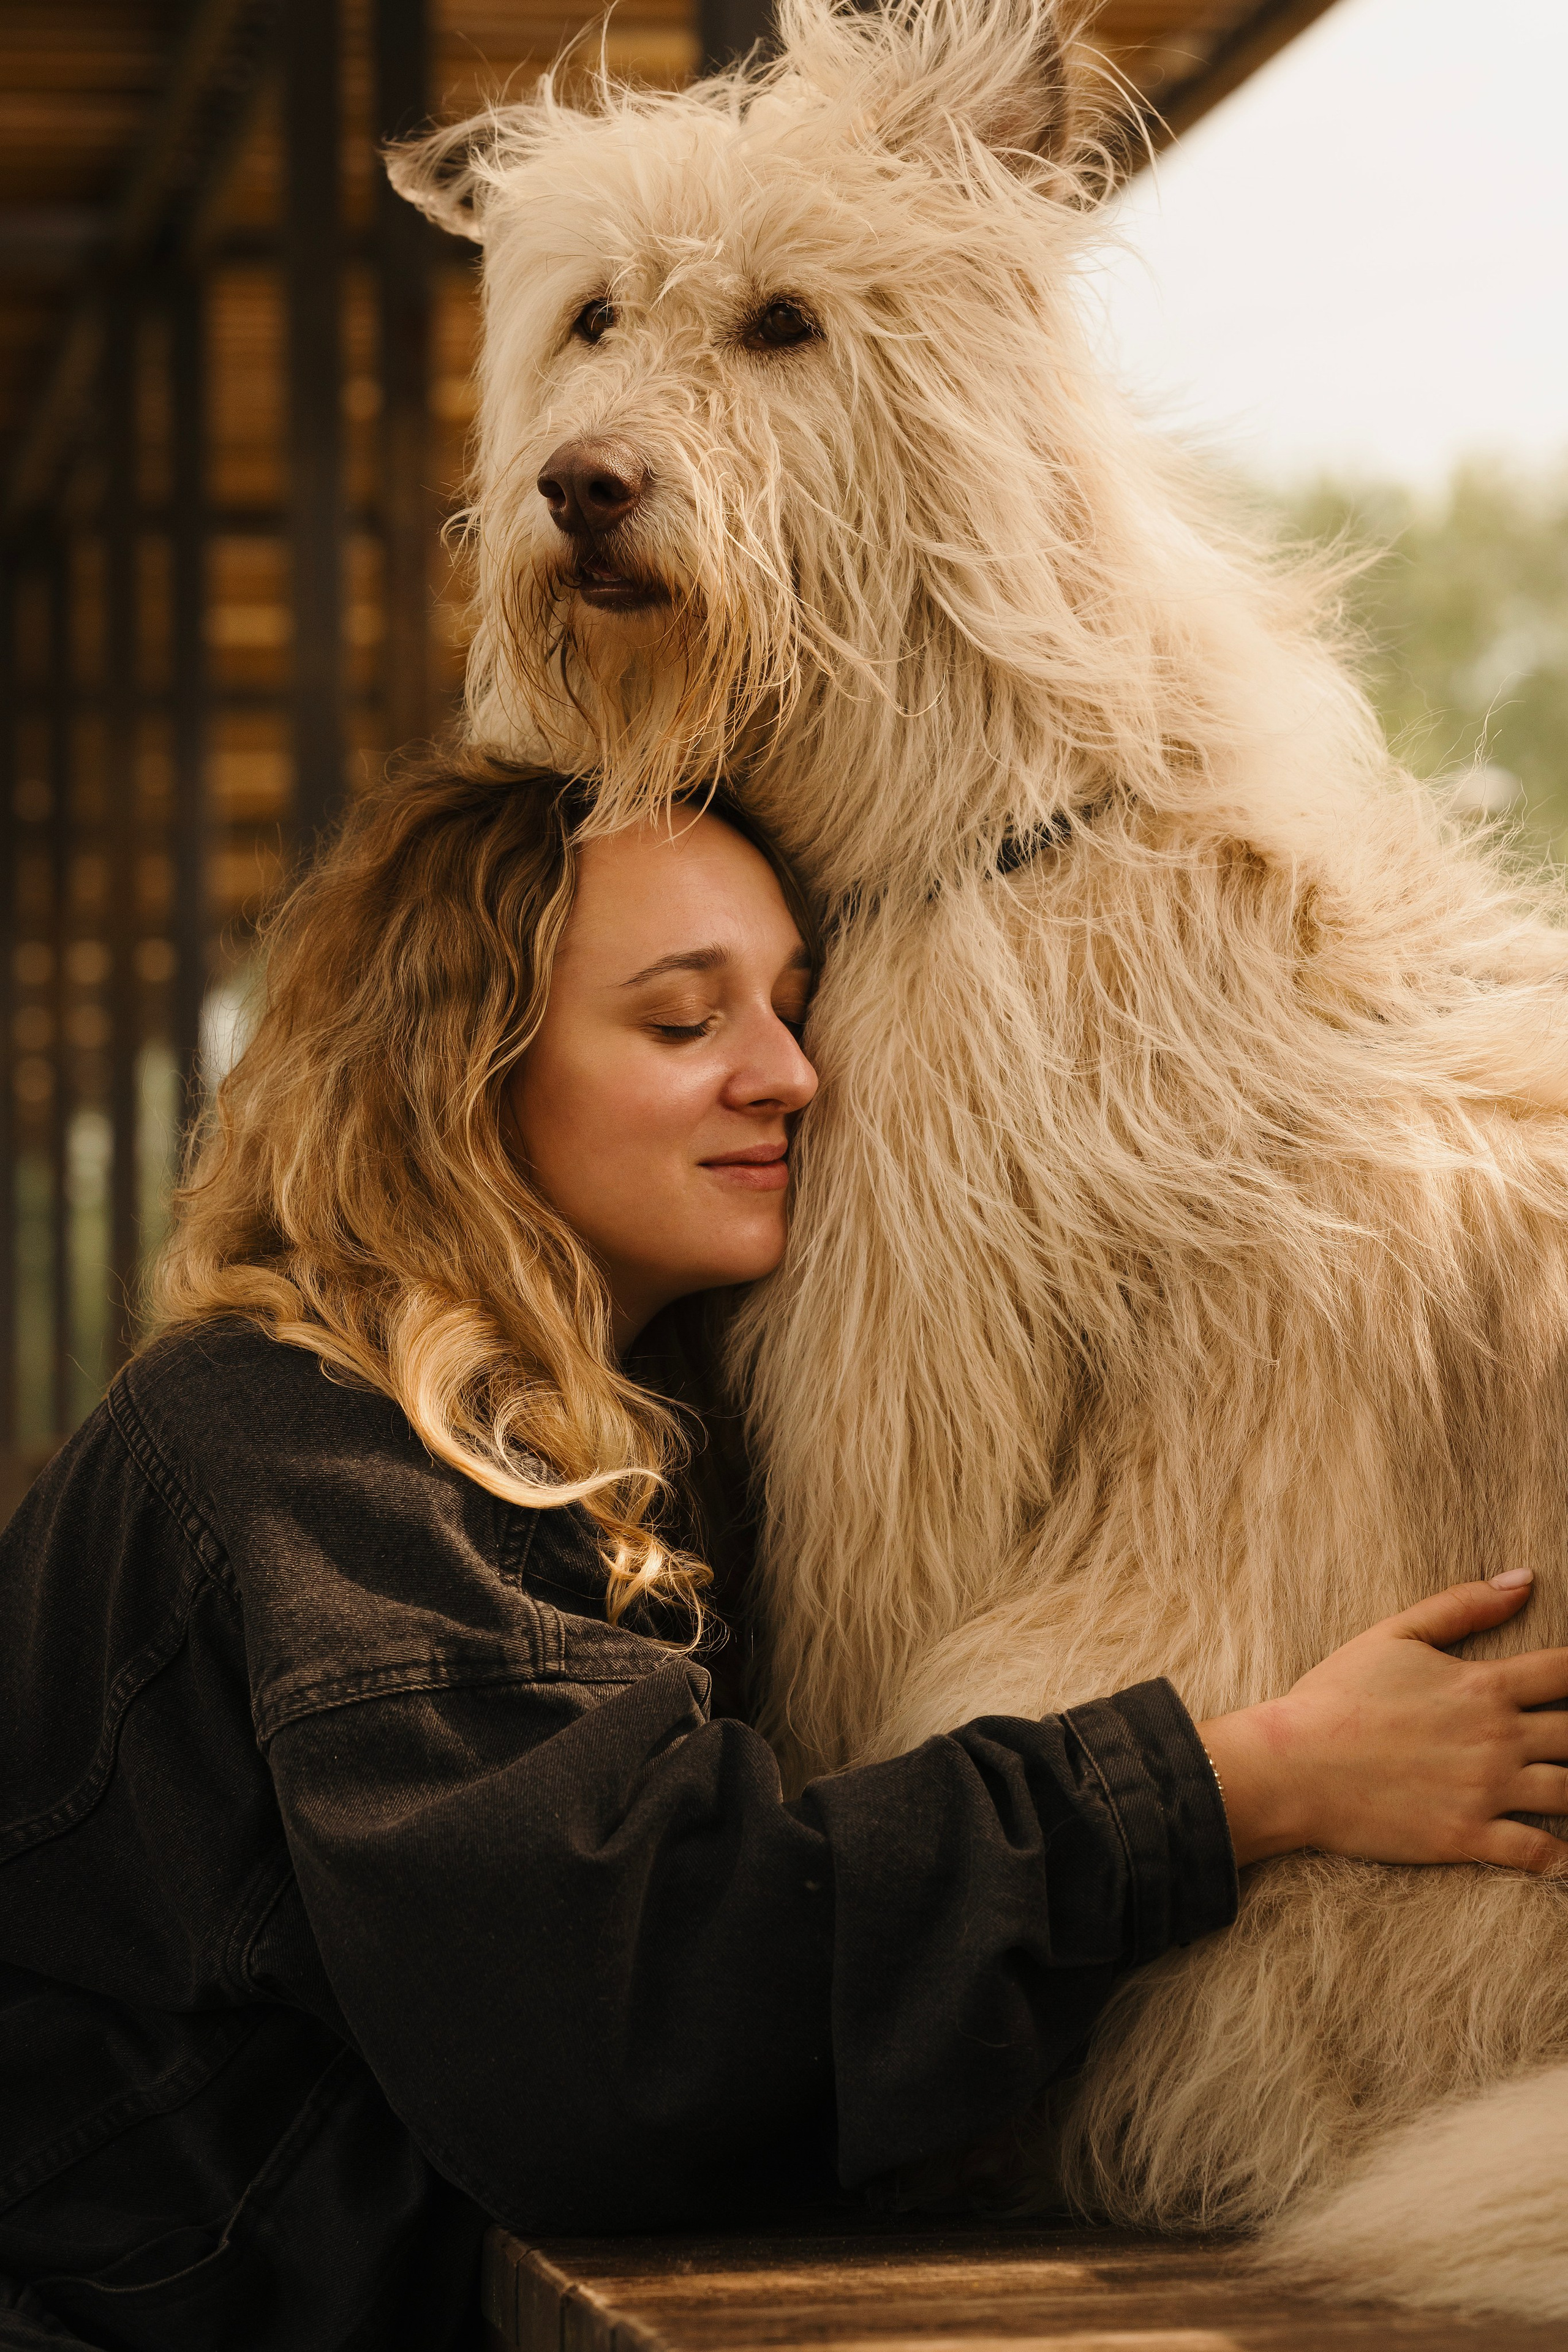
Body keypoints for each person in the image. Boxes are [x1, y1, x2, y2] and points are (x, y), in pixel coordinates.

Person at [3, 753, 1566, 2352]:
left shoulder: (558, 1437)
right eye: (686, 1021)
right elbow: (625, 2011)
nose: (788, 1075)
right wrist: (1242, 1783)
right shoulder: (305, 1451)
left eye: (793, 1007)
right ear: (456, 1072)